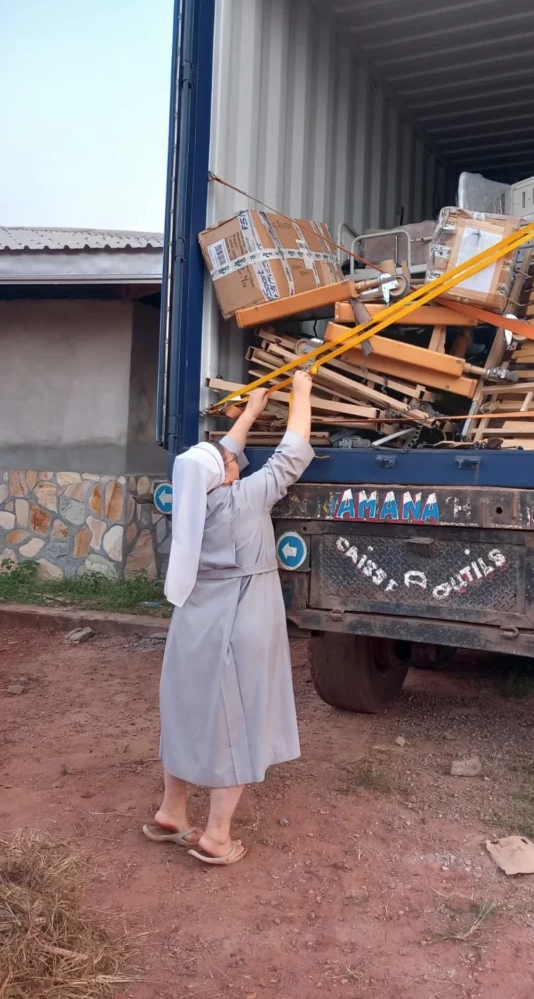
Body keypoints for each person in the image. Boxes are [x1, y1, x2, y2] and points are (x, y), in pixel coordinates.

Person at [142, 371, 315, 866]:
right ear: (224, 476)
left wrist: (252, 411)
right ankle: (217, 835)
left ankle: (173, 810)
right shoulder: (243, 501)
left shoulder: (193, 507)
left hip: (194, 622)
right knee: (239, 721)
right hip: (242, 619)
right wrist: (301, 392)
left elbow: (209, 464)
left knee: (188, 710)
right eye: (226, 459)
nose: (232, 457)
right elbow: (291, 457)